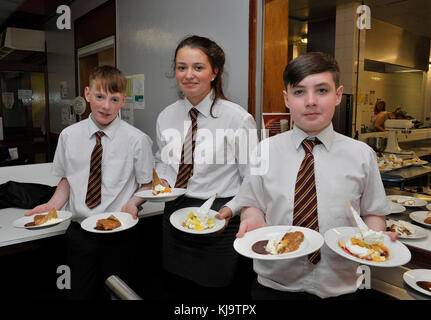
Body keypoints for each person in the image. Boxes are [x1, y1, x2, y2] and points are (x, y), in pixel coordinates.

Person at [234, 52, 398, 300]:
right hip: (274, 284)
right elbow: (252, 204)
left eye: (322, 90)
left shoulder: (362, 155)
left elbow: (373, 212)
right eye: (299, 92)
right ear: (286, 99)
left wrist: (375, 238)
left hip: (341, 285)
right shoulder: (263, 151)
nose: (310, 101)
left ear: (338, 95)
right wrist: (253, 220)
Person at [26, 65, 154, 299]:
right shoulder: (68, 136)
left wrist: (133, 203)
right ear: (87, 94)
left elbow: (147, 185)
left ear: (123, 100)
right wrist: (52, 205)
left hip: (120, 232)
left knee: (117, 293)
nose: (106, 106)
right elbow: (68, 179)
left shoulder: (138, 140)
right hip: (79, 233)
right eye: (99, 96)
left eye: (114, 99)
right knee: (79, 293)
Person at [155, 35, 257, 299]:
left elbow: (253, 177)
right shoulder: (166, 116)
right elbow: (164, 162)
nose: (189, 75)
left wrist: (229, 211)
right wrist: (163, 182)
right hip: (175, 210)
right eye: (181, 67)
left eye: (198, 67)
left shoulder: (238, 118)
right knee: (175, 286)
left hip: (219, 215)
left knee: (215, 290)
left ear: (214, 72)